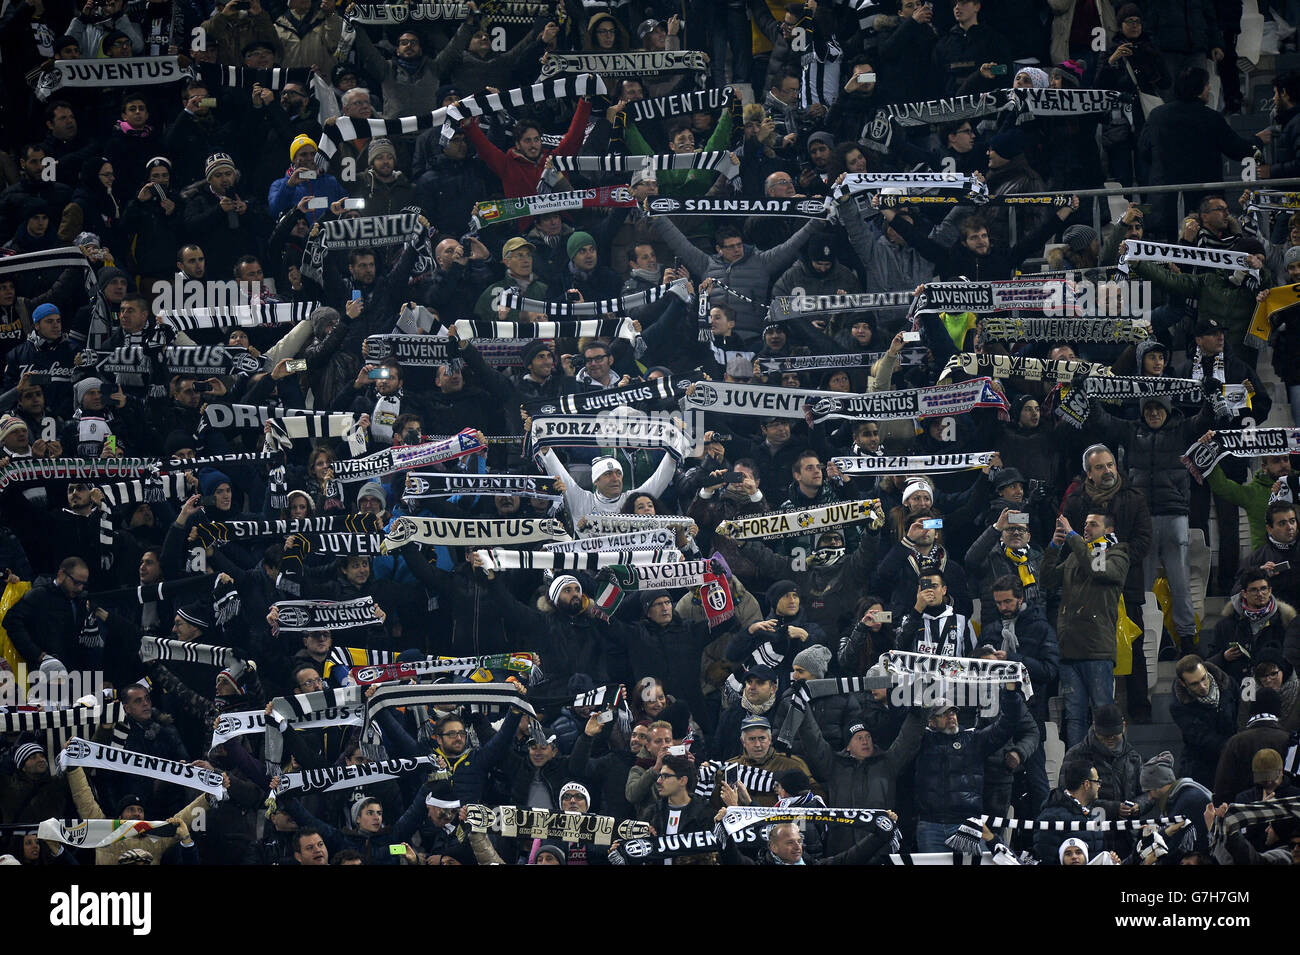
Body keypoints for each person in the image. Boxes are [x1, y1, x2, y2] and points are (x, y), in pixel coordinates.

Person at [1041, 511, 1129, 748]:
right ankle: (1076, 768)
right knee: (1074, 717)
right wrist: (1054, 546)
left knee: (1104, 714)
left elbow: (1096, 569)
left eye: (1093, 524)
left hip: (1097, 650)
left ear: (1108, 530)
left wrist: (1072, 536)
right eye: (1085, 524)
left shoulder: (1116, 554)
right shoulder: (1075, 557)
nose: (1086, 528)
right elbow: (1047, 580)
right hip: (1069, 649)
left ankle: (1112, 762)